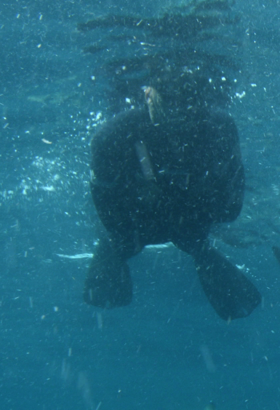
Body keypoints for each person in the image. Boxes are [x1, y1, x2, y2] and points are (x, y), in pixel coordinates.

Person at [82, 85, 261, 319]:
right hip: (139, 222)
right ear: (147, 95)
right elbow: (111, 217)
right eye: (171, 95)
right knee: (119, 241)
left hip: (184, 221)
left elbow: (229, 210)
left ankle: (196, 250)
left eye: (189, 95)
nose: (180, 106)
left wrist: (187, 213)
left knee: (191, 243)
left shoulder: (218, 127)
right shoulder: (112, 134)